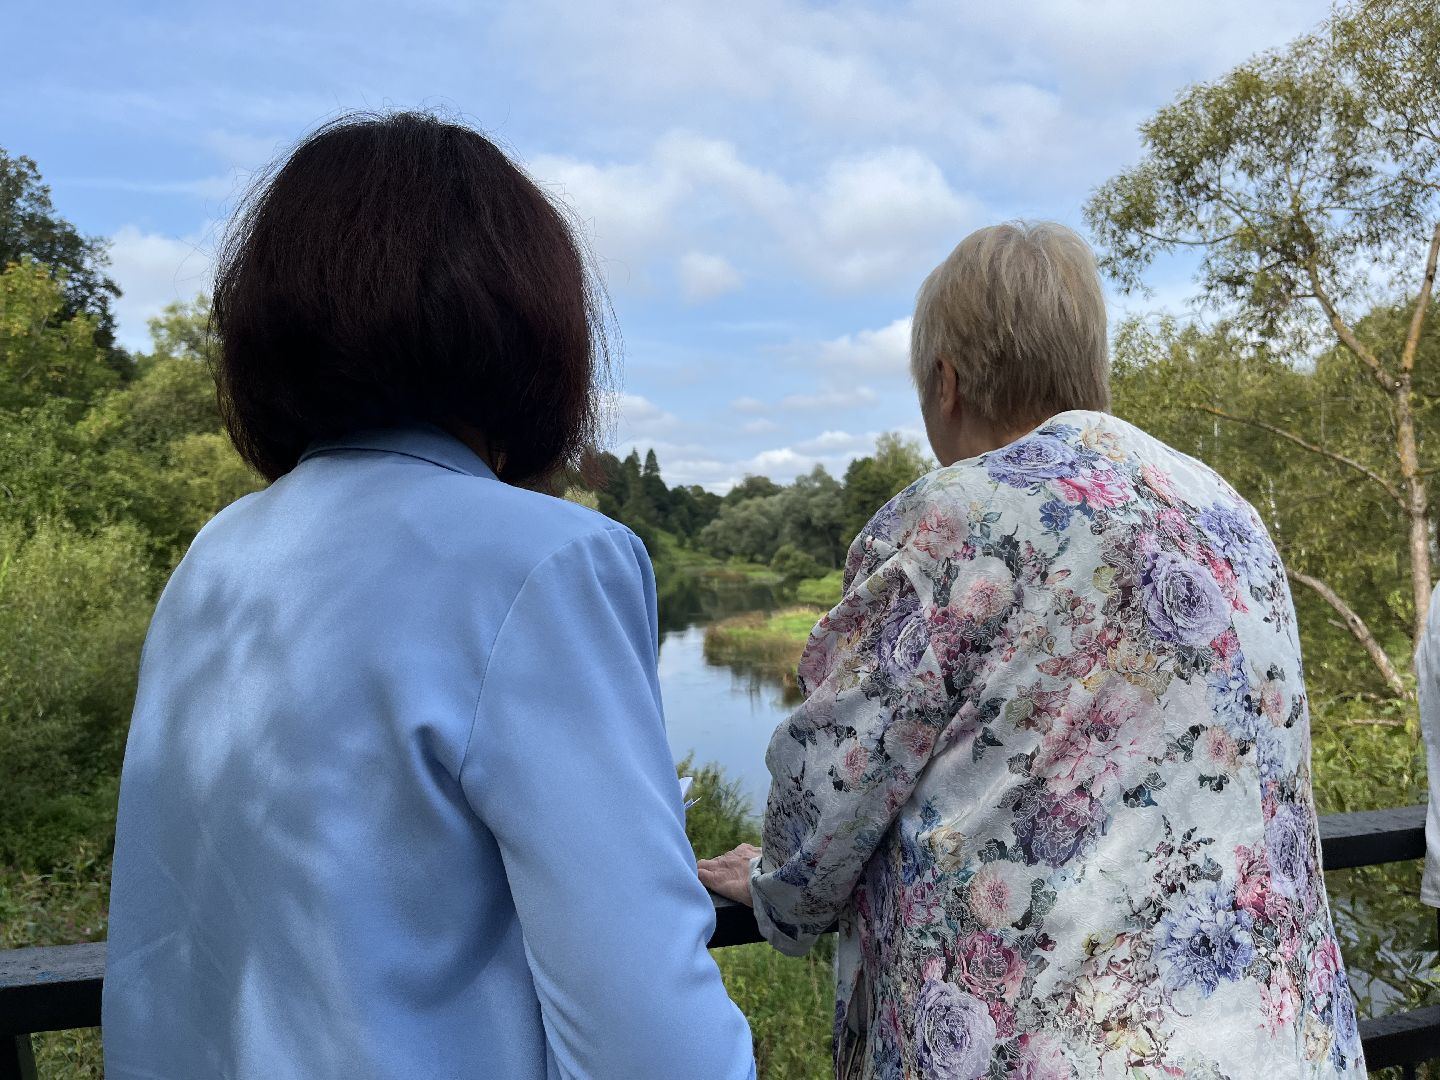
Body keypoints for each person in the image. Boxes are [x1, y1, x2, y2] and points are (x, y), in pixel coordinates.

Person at [103, 112, 755, 1080]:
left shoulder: (213, 561)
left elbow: (170, 951)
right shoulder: (544, 562)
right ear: (525, 326)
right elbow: (657, 1051)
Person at [700, 222, 1365, 1078]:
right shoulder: (1229, 513)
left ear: (946, 383)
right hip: (1289, 1051)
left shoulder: (951, 517)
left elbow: (830, 787)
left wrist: (774, 887)